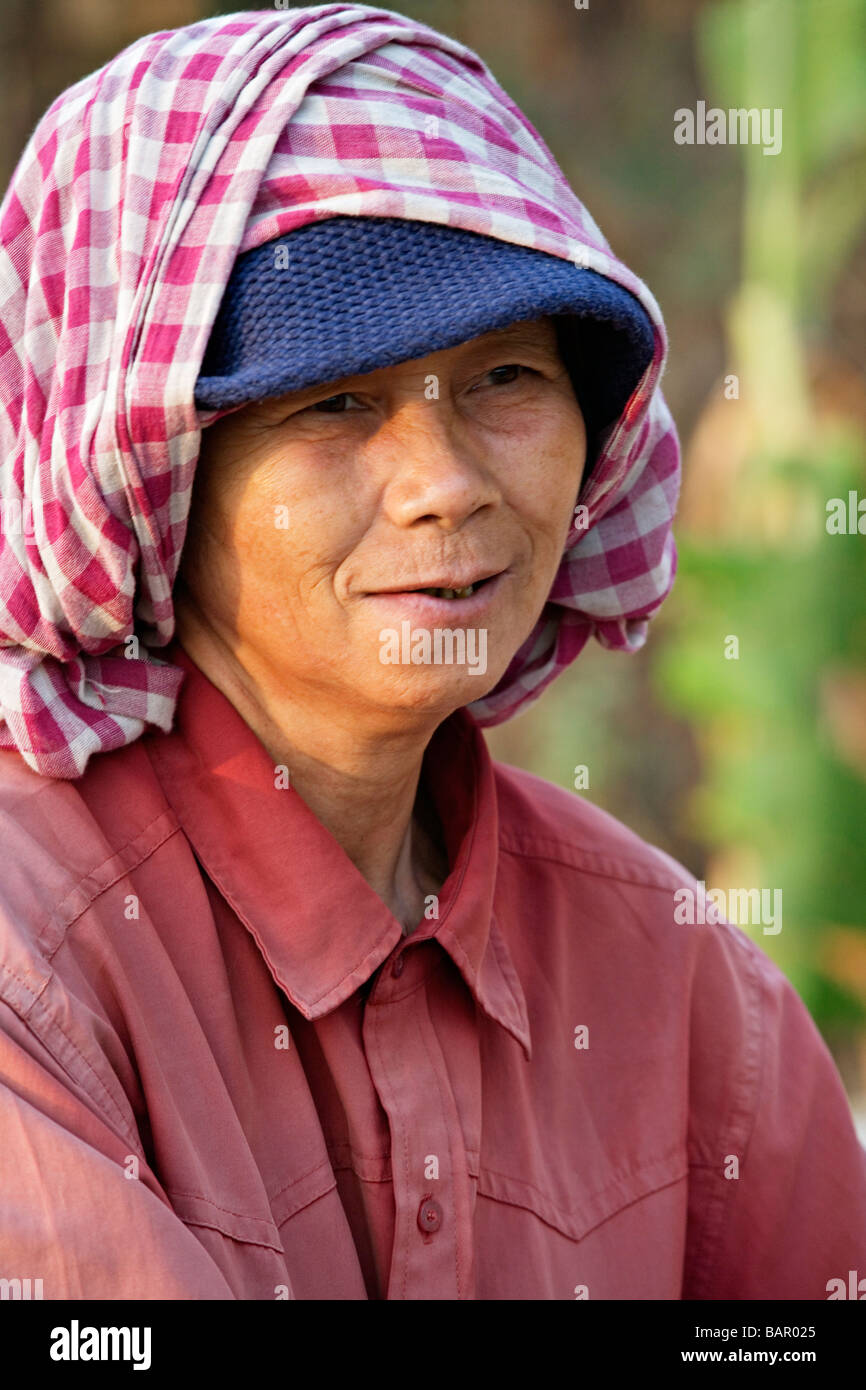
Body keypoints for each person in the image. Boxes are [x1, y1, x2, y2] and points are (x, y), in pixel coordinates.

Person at [0, 4, 863, 1301]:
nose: (445, 484)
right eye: (334, 401)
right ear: (151, 473)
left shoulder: (676, 981)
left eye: (505, 376)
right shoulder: (34, 961)